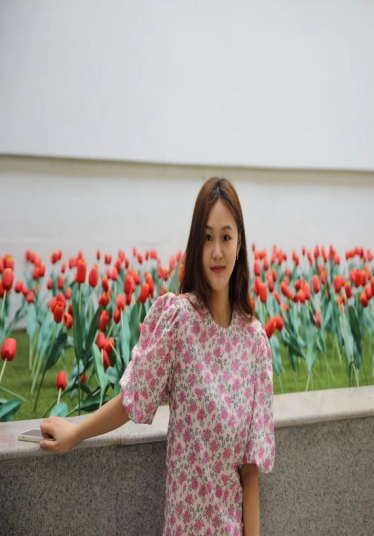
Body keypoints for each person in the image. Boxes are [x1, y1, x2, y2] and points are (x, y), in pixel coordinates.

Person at [39, 177, 275, 535]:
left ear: (240, 243)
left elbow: (250, 468)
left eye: (226, 237)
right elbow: (133, 398)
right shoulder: (179, 320)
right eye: (207, 237)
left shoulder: (255, 343)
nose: (216, 251)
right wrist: (76, 433)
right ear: (195, 244)